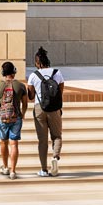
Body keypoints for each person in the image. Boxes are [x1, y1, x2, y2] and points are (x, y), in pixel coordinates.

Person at [28, 48, 65, 178]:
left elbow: (31, 96)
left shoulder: (33, 76)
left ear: (37, 63)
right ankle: (55, 157)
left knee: (42, 141)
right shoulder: (57, 73)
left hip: (39, 109)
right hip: (54, 108)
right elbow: (60, 92)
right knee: (57, 136)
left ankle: (43, 170)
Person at [0, 61, 27, 178]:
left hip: (3, 117)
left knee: (3, 142)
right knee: (14, 144)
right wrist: (23, 113)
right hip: (16, 117)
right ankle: (13, 171)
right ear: (14, 71)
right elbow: (25, 103)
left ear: (3, 72)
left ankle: (5, 167)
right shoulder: (21, 86)